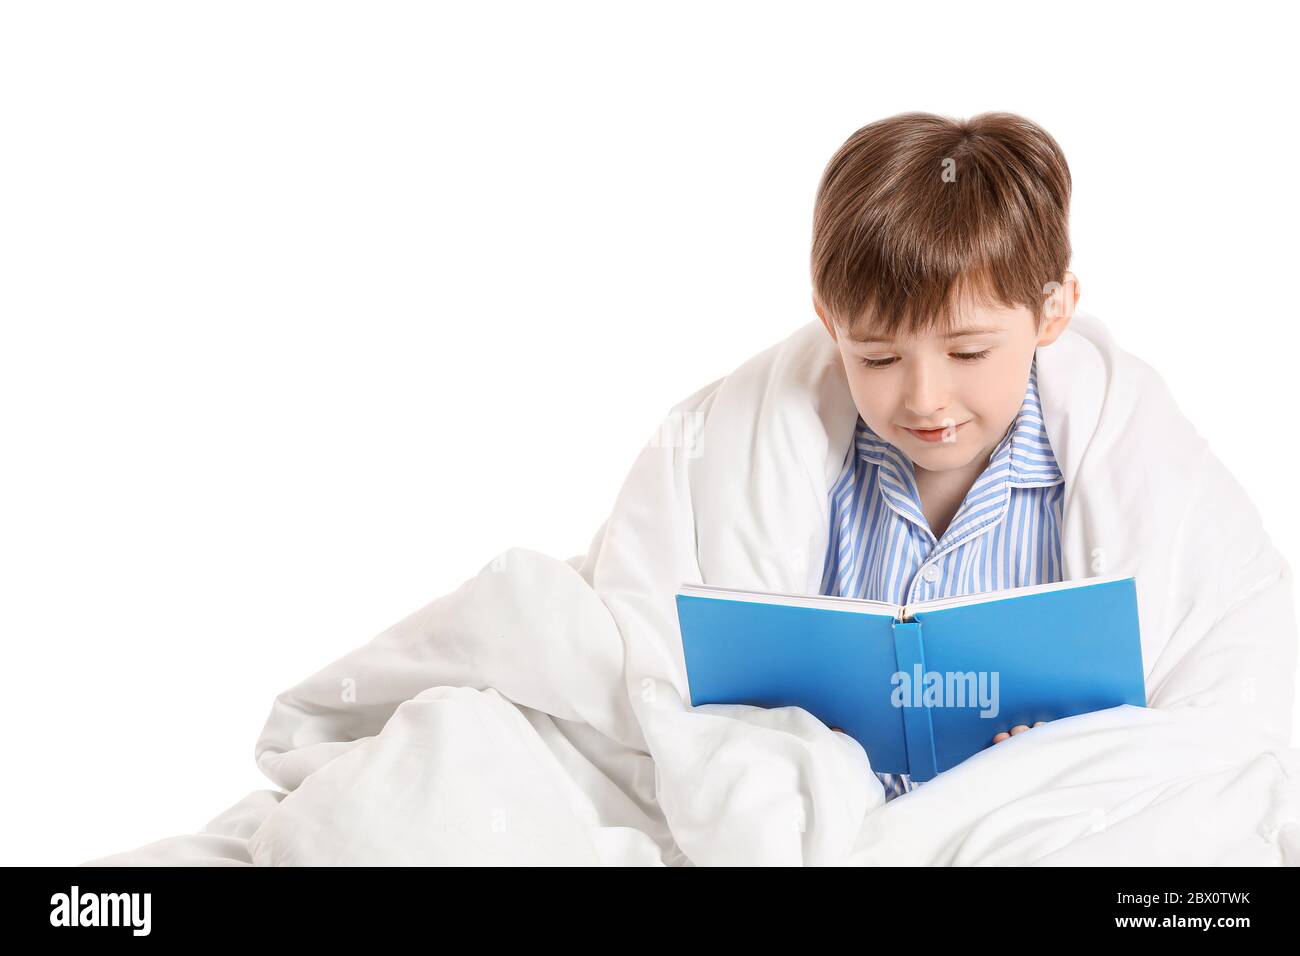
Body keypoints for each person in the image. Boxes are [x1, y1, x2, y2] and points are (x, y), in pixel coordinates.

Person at [810, 112, 1073, 799]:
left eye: (968, 352)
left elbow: (1180, 708)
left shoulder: (1083, 490)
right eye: (878, 357)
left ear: (1052, 312)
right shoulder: (814, 480)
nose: (925, 398)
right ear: (830, 324)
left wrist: (1068, 750)